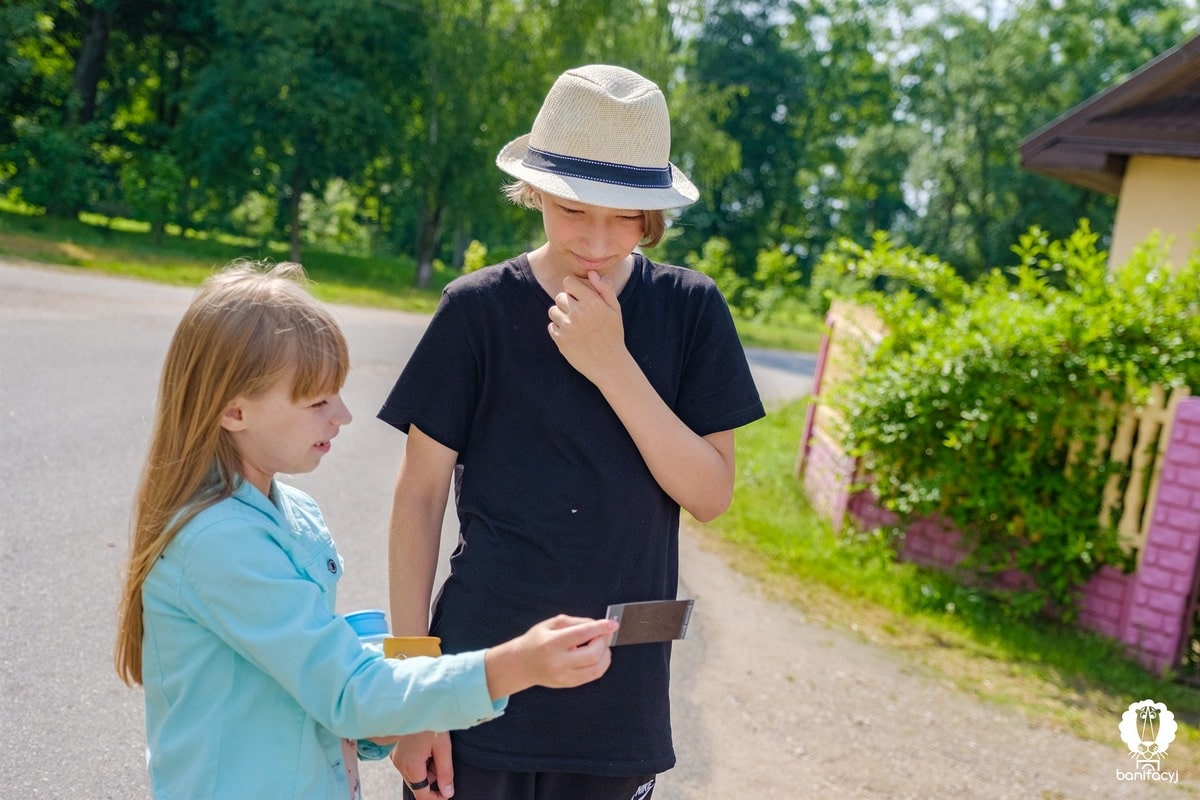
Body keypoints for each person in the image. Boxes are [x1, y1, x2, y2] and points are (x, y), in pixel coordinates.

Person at [378, 64, 766, 800]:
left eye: (624, 217)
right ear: (535, 193)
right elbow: (419, 497)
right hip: (475, 677)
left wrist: (611, 365)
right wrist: (415, 689)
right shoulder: (477, 310)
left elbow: (711, 494)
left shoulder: (691, 310)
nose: (595, 239)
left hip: (615, 704)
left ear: (654, 214)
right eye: (572, 209)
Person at [113, 261, 617, 800]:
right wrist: (518, 663)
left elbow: (318, 685)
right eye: (317, 401)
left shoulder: (290, 511)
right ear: (233, 411)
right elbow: (348, 691)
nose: (344, 416)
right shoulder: (218, 544)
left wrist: (379, 720)